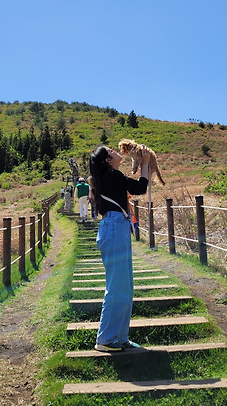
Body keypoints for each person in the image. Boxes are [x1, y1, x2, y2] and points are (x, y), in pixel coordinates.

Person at [89, 145, 150, 352]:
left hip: (116, 227)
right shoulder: (112, 175)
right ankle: (105, 339)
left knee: (125, 286)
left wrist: (143, 163)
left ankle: (120, 337)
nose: (117, 151)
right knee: (117, 287)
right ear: (107, 160)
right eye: (111, 151)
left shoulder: (107, 177)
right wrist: (145, 164)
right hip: (115, 228)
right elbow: (140, 187)